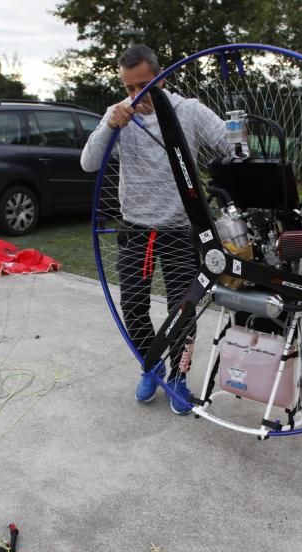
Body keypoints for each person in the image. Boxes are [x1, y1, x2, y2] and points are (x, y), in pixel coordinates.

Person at [81, 45, 230, 414]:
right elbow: (88, 163)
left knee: (182, 309)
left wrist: (222, 169)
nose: (137, 96)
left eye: (144, 85)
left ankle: (179, 377)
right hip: (135, 227)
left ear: (162, 77)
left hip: (181, 228)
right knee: (132, 306)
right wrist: (109, 124)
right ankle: (152, 364)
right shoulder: (118, 115)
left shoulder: (189, 111)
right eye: (129, 88)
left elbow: (230, 145)